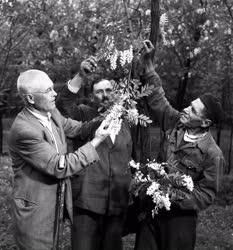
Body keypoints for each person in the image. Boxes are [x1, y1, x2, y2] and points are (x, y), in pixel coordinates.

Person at [134, 40, 225, 250]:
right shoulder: (176, 123)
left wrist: (172, 197)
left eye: (193, 110)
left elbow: (206, 194)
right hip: (152, 211)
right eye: (189, 105)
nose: (185, 109)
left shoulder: (212, 154)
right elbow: (158, 99)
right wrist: (148, 65)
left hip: (179, 222)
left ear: (205, 123)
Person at [8, 69, 113, 250]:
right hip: (35, 212)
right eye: (48, 90)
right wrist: (97, 141)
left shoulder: (50, 111)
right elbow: (60, 166)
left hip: (55, 204)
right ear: (31, 98)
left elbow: (76, 128)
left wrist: (109, 116)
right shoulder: (25, 130)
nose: (55, 93)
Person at [56, 59, 133, 250]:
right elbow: (63, 104)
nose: (105, 95)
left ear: (115, 93)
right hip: (87, 202)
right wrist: (81, 75)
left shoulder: (127, 121)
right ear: (92, 96)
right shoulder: (83, 115)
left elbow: (131, 157)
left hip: (116, 203)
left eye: (109, 91)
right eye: (99, 91)